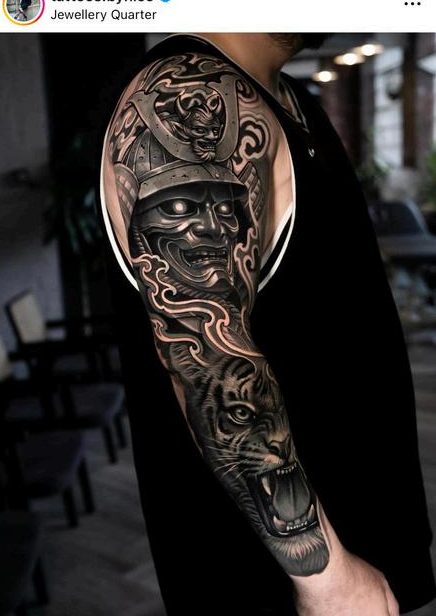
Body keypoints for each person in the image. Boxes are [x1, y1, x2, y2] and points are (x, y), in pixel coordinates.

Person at [99, 33, 436, 615]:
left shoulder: (291, 99)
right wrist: (324, 574)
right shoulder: (190, 89)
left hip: (361, 530)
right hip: (285, 577)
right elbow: (208, 358)